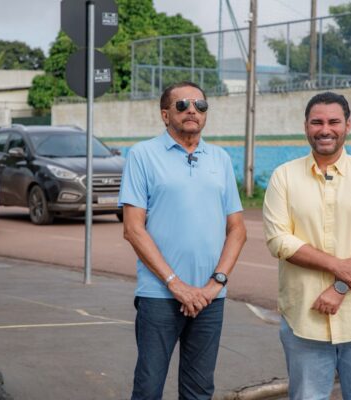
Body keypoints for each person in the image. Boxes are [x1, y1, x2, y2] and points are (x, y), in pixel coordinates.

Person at [262, 92, 351, 400]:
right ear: (306, 126)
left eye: (334, 122)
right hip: (304, 318)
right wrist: (337, 266)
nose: (325, 130)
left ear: (348, 125)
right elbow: (278, 240)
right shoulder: (284, 177)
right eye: (317, 122)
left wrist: (339, 288)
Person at [119, 81, 247, 400]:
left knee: (199, 391)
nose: (192, 110)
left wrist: (216, 284)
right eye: (182, 105)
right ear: (165, 115)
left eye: (200, 105)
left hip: (209, 298)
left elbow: (237, 229)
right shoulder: (142, 155)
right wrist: (175, 284)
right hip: (159, 295)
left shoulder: (220, 159)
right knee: (148, 388)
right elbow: (133, 229)